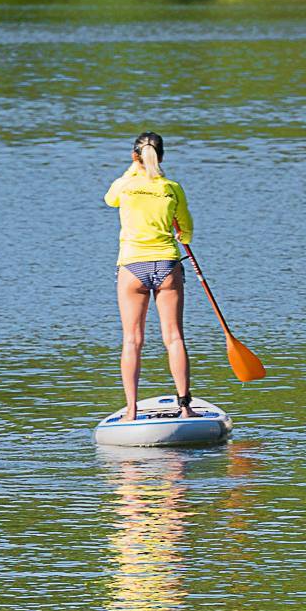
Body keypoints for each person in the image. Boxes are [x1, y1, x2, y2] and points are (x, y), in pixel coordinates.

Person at [104, 132, 196, 423]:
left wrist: (133, 169)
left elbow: (110, 200)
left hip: (132, 268)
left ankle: (131, 411)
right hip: (168, 265)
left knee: (132, 340)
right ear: (162, 156)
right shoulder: (172, 188)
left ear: (135, 156)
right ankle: (185, 406)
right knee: (174, 337)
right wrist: (181, 233)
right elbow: (187, 229)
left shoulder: (125, 185)